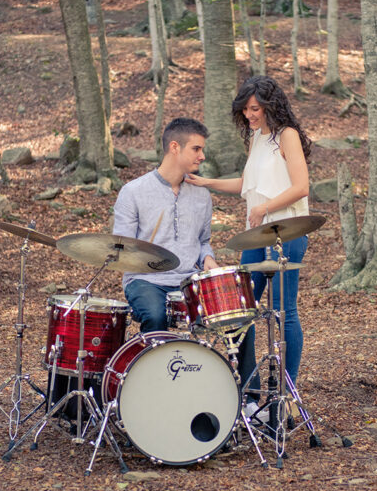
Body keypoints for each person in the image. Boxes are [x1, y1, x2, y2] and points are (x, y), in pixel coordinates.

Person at [186, 76, 311, 418]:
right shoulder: (258, 137)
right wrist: (207, 183)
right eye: (245, 110)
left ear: (271, 105)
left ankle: (286, 397)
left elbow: (300, 186)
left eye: (255, 109)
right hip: (257, 236)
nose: (250, 115)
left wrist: (264, 207)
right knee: (240, 311)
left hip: (287, 232)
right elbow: (249, 184)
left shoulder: (287, 135)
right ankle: (251, 393)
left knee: (285, 312)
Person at [112, 117, 219, 332]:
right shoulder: (133, 192)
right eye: (196, 149)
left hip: (189, 281)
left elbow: (203, 241)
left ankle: (241, 368)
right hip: (146, 280)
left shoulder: (202, 194)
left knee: (237, 319)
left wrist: (207, 258)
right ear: (175, 147)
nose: (202, 156)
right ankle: (152, 364)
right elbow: (121, 247)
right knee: (155, 315)